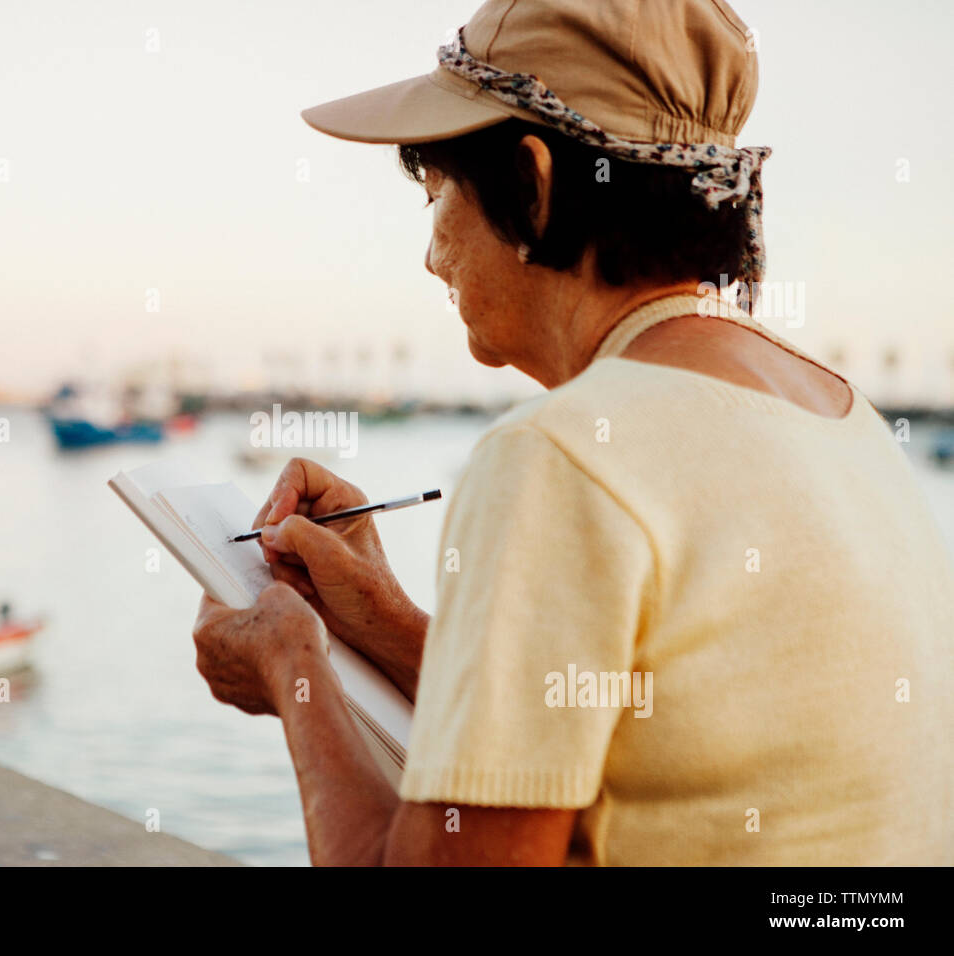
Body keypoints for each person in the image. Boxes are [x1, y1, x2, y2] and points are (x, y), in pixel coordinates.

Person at [192, 0, 954, 865]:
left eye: (437, 194)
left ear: (535, 184)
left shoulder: (556, 460)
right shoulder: (839, 414)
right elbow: (658, 733)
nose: (431, 256)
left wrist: (296, 670)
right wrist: (382, 621)